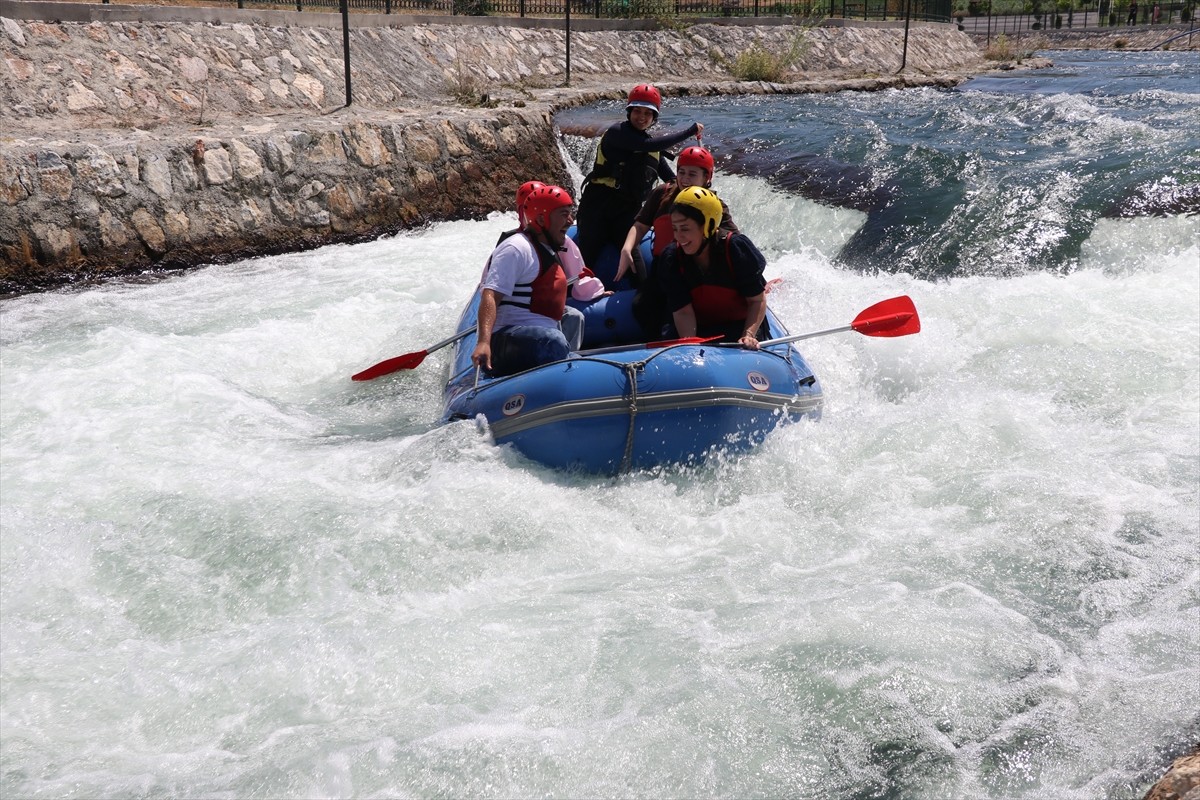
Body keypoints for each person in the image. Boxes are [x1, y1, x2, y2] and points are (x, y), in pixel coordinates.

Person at [575, 84, 704, 285]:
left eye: (648, 113)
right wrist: (690, 131)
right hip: (598, 206)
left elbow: (670, 179)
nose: (642, 117)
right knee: (587, 257)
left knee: (636, 264)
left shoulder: (651, 147)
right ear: (629, 112)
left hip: (627, 211)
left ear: (654, 117)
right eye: (637, 111)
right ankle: (573, 294)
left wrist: (695, 195)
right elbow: (648, 145)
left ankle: (642, 295)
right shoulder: (617, 132)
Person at [618, 145, 740, 339]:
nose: (685, 179)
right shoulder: (662, 194)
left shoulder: (713, 205)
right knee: (641, 306)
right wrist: (627, 248)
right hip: (663, 265)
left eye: (692, 174)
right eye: (681, 172)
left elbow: (735, 240)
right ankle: (655, 342)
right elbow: (640, 226)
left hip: (693, 267)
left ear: (706, 178)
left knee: (677, 311)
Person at [472, 185, 592, 376]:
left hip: (537, 336)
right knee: (552, 340)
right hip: (505, 340)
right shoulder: (516, 248)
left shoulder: (548, 247)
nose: (570, 221)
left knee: (573, 318)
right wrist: (483, 342)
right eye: (563, 214)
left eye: (570, 214)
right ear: (542, 219)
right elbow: (490, 295)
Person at [657, 187, 769, 350]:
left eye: (685, 228)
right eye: (675, 229)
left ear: (707, 226)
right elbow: (683, 312)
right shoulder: (672, 258)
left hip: (739, 327)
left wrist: (748, 335)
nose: (678, 236)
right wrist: (691, 345)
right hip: (700, 328)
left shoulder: (736, 249)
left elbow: (756, 300)